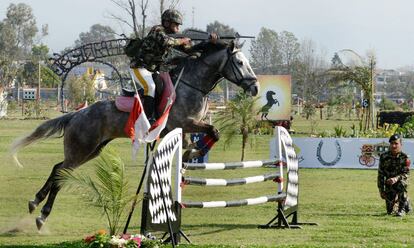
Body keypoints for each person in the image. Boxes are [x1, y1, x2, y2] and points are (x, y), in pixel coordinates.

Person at [129, 9, 192, 123]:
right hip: (139, 68)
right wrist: (182, 41)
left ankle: (157, 114)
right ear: (167, 23)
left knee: (162, 88)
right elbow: (166, 41)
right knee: (151, 87)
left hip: (151, 71)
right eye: (176, 24)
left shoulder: (173, 36)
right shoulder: (157, 30)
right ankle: (147, 119)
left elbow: (188, 49)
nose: (178, 28)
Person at [377, 134, 412, 216]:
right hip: (389, 184)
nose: (393, 146)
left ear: (401, 145)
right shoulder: (384, 157)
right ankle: (405, 203)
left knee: (401, 184)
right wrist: (381, 190)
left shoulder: (405, 157)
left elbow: (406, 174)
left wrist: (396, 178)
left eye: (396, 143)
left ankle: (402, 209)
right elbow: (381, 174)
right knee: (390, 212)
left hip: (400, 182)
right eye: (392, 143)